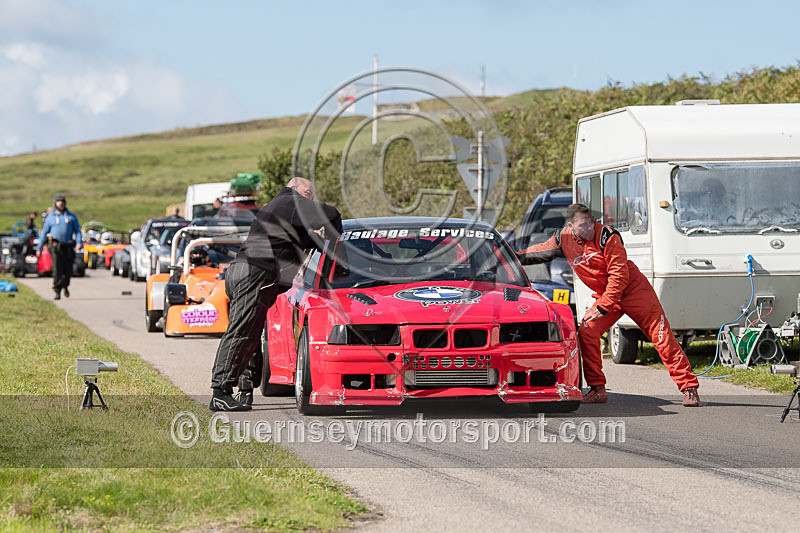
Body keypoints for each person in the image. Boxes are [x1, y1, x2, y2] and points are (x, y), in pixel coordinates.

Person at [516, 203, 700, 407]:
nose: (589, 228)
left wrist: (602, 307)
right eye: (583, 225)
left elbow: (619, 276)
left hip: (633, 291)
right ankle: (597, 389)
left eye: (591, 223)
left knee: (661, 336)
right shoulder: (562, 238)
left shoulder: (607, 236)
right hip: (607, 296)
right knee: (587, 333)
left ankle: (689, 388)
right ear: (570, 226)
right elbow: (537, 252)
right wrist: (511, 257)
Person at [209, 177, 342, 411]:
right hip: (255, 273)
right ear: (295, 190)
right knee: (241, 332)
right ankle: (220, 392)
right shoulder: (290, 201)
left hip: (243, 272)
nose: (310, 199)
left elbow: (307, 241)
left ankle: (244, 390)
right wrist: (335, 235)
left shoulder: (280, 210)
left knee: (249, 333)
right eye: (308, 193)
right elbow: (331, 214)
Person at [37, 194, 82, 300]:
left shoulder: (71, 217)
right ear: (55, 203)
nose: (60, 203)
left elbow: (78, 231)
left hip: (68, 246)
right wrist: (39, 248)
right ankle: (57, 290)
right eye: (58, 201)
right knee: (57, 269)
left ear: (65, 203)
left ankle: (65, 285)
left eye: (62, 201)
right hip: (55, 246)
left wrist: (79, 242)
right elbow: (44, 233)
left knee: (68, 270)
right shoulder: (51, 218)